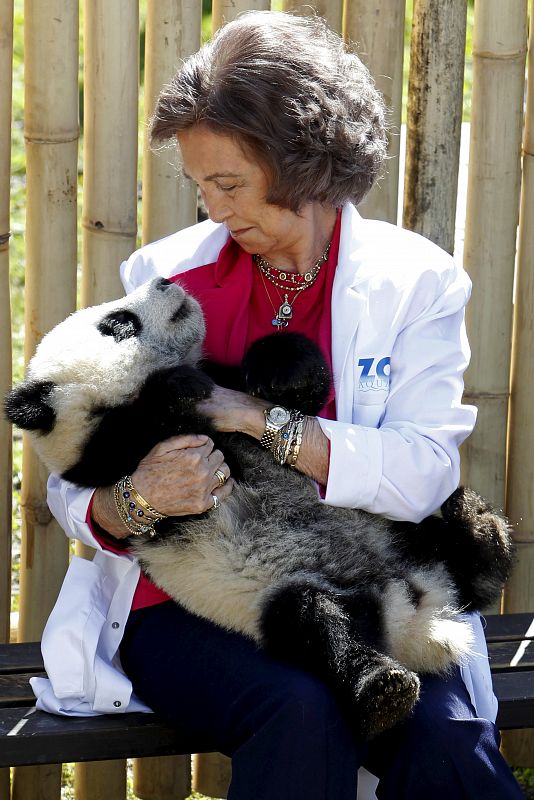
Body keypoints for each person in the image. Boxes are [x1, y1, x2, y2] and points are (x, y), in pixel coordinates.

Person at [35, 11, 523, 799]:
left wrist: (256, 419)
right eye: (199, 186)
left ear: (304, 162)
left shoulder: (417, 283)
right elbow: (73, 473)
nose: (214, 209)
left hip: (367, 581)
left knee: (445, 735)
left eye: (229, 183)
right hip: (195, 599)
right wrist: (134, 500)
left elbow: (424, 472)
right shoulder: (164, 279)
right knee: (298, 707)